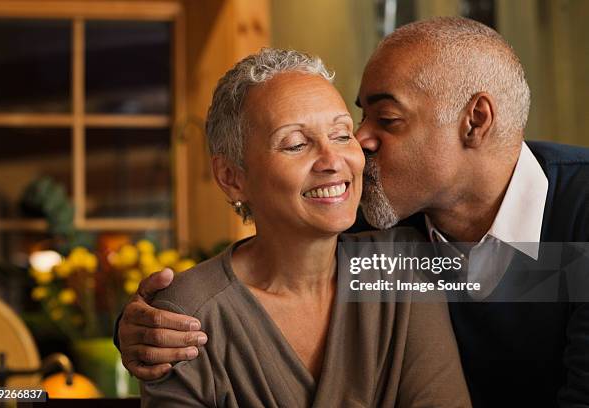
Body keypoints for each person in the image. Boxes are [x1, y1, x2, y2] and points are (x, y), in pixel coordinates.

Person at [118, 17, 589, 407]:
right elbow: (263, 272)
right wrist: (141, 327)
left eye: (386, 120)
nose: (356, 147)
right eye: (357, 121)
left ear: (475, 121)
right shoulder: (374, 218)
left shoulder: (576, 219)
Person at [140, 48, 471, 407]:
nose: (332, 161)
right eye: (296, 144)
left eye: (343, 135)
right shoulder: (186, 315)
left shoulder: (400, 266)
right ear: (232, 177)